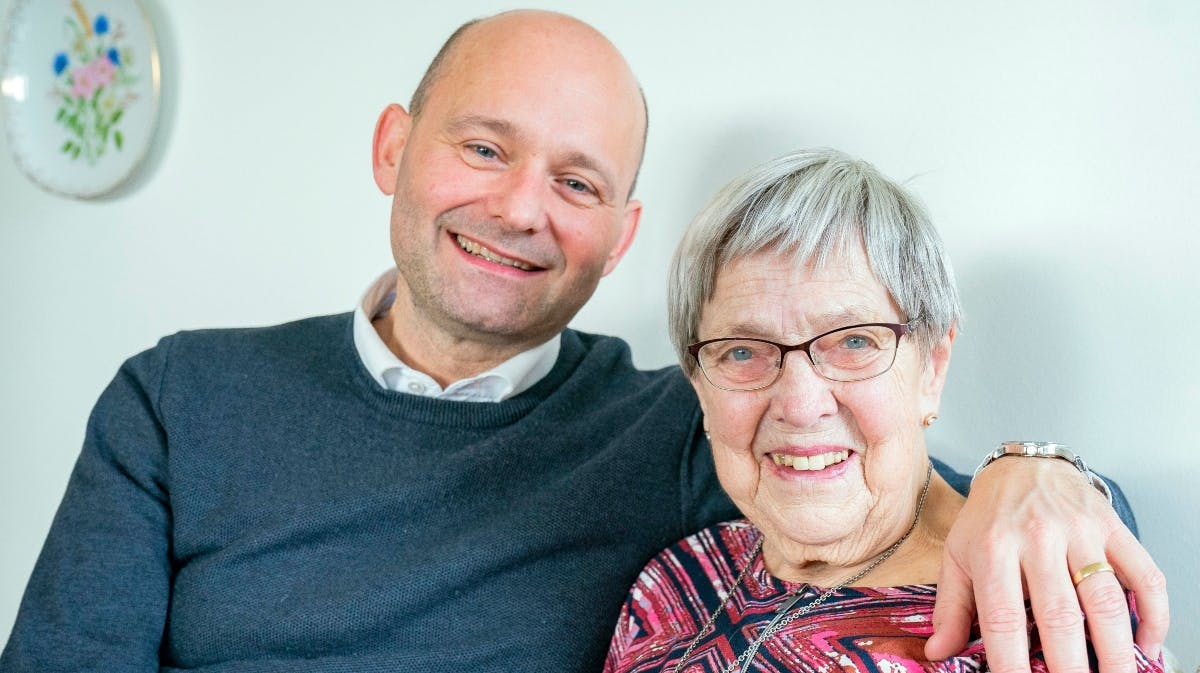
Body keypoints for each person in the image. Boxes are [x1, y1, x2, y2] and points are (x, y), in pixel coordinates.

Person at [0, 10, 1166, 673]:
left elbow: (896, 495)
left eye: (577, 180)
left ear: (621, 236)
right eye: (485, 149)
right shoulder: (178, 397)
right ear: (392, 150)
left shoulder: (687, 417)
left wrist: (1047, 470)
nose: (520, 209)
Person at [602, 148, 1164, 673]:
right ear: (699, 385)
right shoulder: (679, 580)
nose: (800, 405)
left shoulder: (1036, 614)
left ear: (932, 368)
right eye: (742, 351)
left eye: (853, 342)